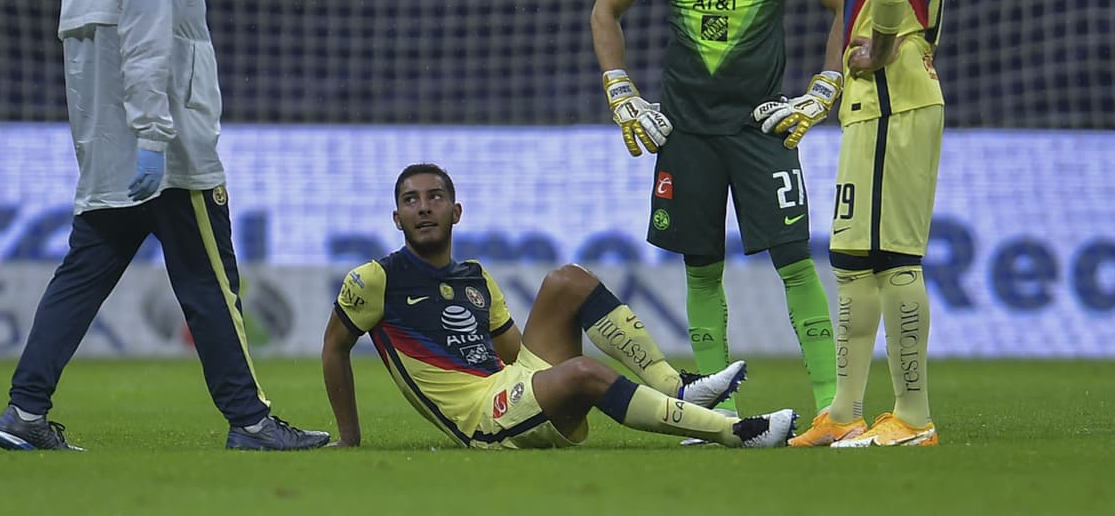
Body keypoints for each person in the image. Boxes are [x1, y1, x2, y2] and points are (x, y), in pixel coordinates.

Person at [0, 0, 329, 452]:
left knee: (78, 283)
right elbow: (150, 50)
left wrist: (107, 150)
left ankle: (24, 412)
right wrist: (153, 138)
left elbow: (86, 65)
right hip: (169, 159)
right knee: (211, 290)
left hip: (108, 162)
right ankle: (252, 422)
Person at [589, 0, 844, 426]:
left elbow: (845, 6)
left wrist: (827, 84)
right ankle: (717, 422)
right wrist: (620, 88)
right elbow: (604, 13)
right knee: (701, 274)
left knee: (795, 262)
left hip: (764, 125)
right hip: (686, 131)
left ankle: (838, 412)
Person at [321, 163, 798, 449]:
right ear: (397, 219)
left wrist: (541, 383)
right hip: (481, 422)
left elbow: (515, 355)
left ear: (456, 212)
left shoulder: (475, 277)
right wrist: (350, 436)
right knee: (582, 374)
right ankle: (735, 431)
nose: (423, 207)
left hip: (508, 390)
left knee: (567, 280)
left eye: (435, 197)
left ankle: (673, 385)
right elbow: (334, 348)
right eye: (411, 200)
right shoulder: (374, 279)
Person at [790, 0, 948, 448]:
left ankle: (912, 416)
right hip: (882, 98)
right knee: (854, 259)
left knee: (895, 261)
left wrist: (882, 42)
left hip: (892, 95)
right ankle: (845, 410)